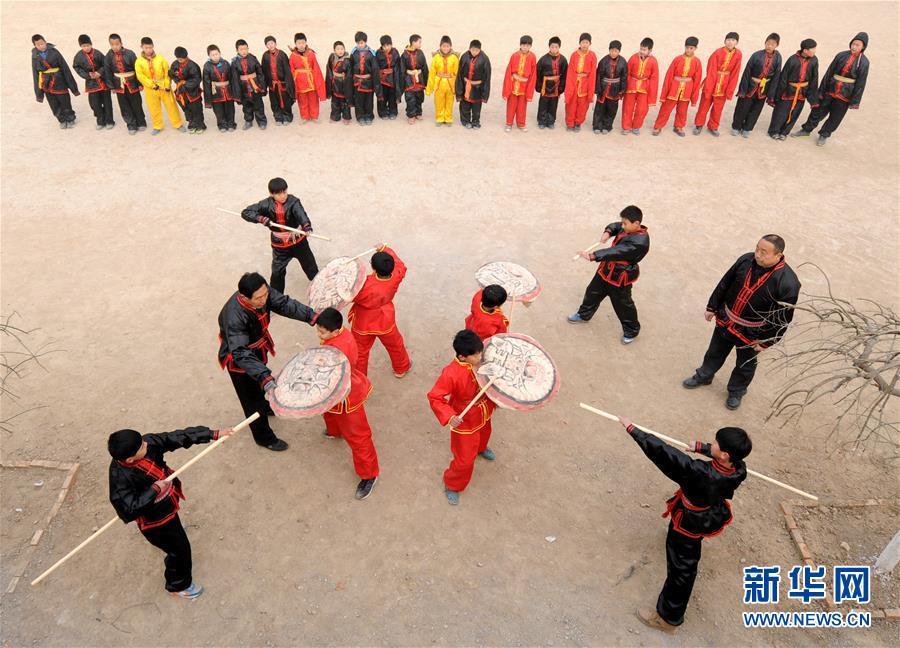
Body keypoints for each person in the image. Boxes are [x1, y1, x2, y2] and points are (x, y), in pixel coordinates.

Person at [612, 417, 752, 634]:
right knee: (685, 556)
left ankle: (668, 618)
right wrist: (703, 448)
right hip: (709, 512)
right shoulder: (739, 469)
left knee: (682, 568)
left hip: (690, 523)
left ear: (725, 454)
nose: (712, 443)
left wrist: (633, 430)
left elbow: (666, 454)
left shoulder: (699, 473)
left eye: (715, 443)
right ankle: (670, 613)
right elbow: (719, 458)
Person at [108, 425, 234, 599]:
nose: (147, 444)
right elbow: (128, 511)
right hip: (156, 521)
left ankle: (175, 535)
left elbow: (174, 437)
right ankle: (178, 585)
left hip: (166, 505)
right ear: (130, 460)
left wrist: (211, 434)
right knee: (180, 551)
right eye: (142, 446)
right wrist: (153, 490)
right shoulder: (119, 479)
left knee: (176, 536)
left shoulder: (147, 444)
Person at [682, 235, 801, 409]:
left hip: (752, 333)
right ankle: (704, 376)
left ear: (778, 255)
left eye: (764, 252)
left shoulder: (788, 283)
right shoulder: (746, 260)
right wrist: (712, 306)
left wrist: (767, 341)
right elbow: (725, 282)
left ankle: (736, 391)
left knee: (745, 365)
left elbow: (782, 317)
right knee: (714, 351)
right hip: (727, 319)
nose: (757, 255)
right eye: (757, 249)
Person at [217, 272, 316, 452]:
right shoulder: (234, 316)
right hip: (240, 361)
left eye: (265, 295)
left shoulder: (262, 292)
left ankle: (265, 406)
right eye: (259, 298)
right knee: (252, 401)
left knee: (261, 386)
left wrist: (312, 316)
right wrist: (265, 377)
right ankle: (264, 437)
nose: (264, 300)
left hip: (256, 348)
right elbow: (240, 352)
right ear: (244, 298)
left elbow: (284, 304)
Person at [427, 330, 497, 506]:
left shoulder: (482, 360)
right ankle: (453, 484)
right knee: (464, 460)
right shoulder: (450, 373)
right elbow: (435, 397)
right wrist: (450, 416)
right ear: (462, 357)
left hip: (484, 409)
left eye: (480, 352)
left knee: (485, 433)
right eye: (476, 355)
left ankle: (481, 448)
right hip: (464, 418)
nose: (480, 357)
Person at [316, 308, 379, 501]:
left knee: (359, 437)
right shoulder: (341, 334)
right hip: (333, 388)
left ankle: (369, 475)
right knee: (329, 412)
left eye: (322, 332)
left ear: (335, 331)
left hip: (345, 394)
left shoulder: (339, 351)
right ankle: (334, 431)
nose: (319, 334)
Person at [567, 205, 649, 344]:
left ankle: (632, 330)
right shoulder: (628, 228)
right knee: (592, 293)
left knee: (623, 306)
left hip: (619, 277)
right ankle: (584, 314)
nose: (622, 226)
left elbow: (616, 251)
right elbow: (616, 226)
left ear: (636, 223)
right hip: (606, 270)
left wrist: (593, 256)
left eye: (625, 223)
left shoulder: (640, 242)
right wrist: (608, 231)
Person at [241, 177, 318, 293]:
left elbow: (301, 214)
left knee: (310, 266)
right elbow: (246, 212)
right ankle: (276, 296)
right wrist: (261, 219)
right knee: (277, 273)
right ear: (271, 194)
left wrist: (306, 226)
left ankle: (320, 286)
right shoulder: (265, 204)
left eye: (285, 192)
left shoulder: (294, 202)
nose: (283, 196)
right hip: (280, 246)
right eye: (278, 193)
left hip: (298, 242)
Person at [793, 32, 869, 146]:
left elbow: (861, 83)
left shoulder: (864, 63)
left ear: (863, 47)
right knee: (818, 110)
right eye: (853, 44)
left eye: (857, 45)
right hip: (831, 89)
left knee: (836, 116)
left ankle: (824, 134)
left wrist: (854, 101)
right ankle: (806, 129)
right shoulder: (841, 55)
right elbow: (829, 72)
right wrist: (821, 90)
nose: (854, 47)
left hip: (845, 94)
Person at [348, 244, 412, 377]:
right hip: (385, 319)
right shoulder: (396, 275)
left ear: (374, 268)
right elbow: (400, 264)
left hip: (363, 321)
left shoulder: (364, 284)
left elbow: (349, 295)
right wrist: (385, 248)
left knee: (360, 352)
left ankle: (361, 381)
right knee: (395, 345)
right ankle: (401, 368)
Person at [731, 34, 781, 137]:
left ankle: (747, 128)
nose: (769, 46)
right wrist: (743, 90)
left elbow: (776, 76)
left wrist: (771, 94)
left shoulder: (778, 58)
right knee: (743, 107)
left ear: (777, 45)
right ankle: (736, 126)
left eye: (772, 44)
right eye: (768, 43)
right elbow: (747, 72)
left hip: (764, 88)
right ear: (765, 43)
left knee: (756, 109)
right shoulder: (756, 55)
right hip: (751, 85)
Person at [767, 39, 818, 140]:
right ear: (805, 50)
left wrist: (813, 98)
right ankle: (774, 131)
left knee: (795, 113)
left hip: (802, 92)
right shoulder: (792, 60)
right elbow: (783, 78)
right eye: (813, 49)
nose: (815, 51)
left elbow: (814, 78)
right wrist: (778, 95)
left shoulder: (814, 60)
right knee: (781, 112)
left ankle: (784, 132)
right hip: (788, 91)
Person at [693, 32, 742, 137]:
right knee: (704, 105)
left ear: (736, 42)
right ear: (725, 41)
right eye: (728, 40)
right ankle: (699, 124)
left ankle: (713, 126)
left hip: (724, 84)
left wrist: (730, 89)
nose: (730, 42)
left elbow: (735, 72)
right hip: (712, 81)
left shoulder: (738, 54)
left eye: (733, 40)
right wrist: (709, 86)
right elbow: (711, 70)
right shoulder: (717, 53)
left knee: (718, 107)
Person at [653, 37, 702, 137]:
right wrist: (664, 94)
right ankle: (658, 126)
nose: (688, 50)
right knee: (666, 108)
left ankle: (679, 126)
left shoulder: (697, 62)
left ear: (696, 48)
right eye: (687, 47)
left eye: (691, 48)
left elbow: (697, 80)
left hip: (687, 89)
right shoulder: (677, 59)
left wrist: (694, 98)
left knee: (682, 110)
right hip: (674, 88)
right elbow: (669, 76)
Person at [135, 37, 185, 135]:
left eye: (150, 47)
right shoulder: (139, 62)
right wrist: (151, 84)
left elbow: (167, 71)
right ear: (141, 47)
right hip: (150, 89)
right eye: (146, 48)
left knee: (171, 105)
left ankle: (178, 123)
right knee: (153, 107)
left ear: (153, 46)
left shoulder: (160, 58)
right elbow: (140, 76)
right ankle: (157, 125)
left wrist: (167, 84)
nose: (148, 50)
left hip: (163, 86)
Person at [31, 34, 79, 128]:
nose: (41, 46)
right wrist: (39, 92)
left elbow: (64, 67)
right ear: (35, 46)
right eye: (38, 45)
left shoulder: (54, 52)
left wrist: (72, 86)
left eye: (42, 43)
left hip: (59, 80)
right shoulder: (34, 56)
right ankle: (61, 119)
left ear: (45, 42)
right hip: (46, 83)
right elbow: (35, 73)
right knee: (53, 103)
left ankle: (70, 118)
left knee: (65, 100)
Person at [104, 33, 147, 134]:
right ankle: (131, 124)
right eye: (112, 44)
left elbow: (137, 69)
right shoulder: (108, 56)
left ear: (121, 43)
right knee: (124, 106)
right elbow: (107, 71)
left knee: (137, 103)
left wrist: (140, 83)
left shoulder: (130, 54)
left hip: (132, 83)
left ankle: (141, 122)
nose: (115, 46)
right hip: (118, 84)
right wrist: (111, 86)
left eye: (117, 44)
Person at [73, 34, 114, 130]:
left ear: (91, 44)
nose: (86, 48)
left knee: (107, 103)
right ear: (80, 46)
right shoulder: (78, 56)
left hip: (103, 81)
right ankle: (100, 121)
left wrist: (100, 72)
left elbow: (105, 64)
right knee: (94, 104)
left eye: (88, 45)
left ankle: (109, 121)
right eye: (84, 46)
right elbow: (77, 67)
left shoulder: (98, 53)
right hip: (91, 83)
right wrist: (87, 75)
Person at [621, 37, 658, 135]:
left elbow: (654, 78)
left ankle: (636, 126)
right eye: (641, 48)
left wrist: (651, 92)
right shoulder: (633, 58)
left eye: (644, 49)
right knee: (628, 107)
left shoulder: (653, 61)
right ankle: (626, 126)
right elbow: (627, 73)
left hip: (644, 88)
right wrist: (626, 86)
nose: (641, 51)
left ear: (650, 50)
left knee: (642, 109)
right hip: (631, 86)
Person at [502, 35, 537, 132]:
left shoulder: (532, 57)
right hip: (513, 85)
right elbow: (509, 71)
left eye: (528, 45)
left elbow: (533, 74)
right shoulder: (514, 56)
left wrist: (529, 88)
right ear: (520, 45)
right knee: (511, 106)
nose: (525, 47)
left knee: (522, 107)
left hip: (524, 86)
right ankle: (509, 123)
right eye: (524, 45)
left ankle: (521, 124)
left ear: (530, 46)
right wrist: (508, 86)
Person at [592, 40, 627, 134]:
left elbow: (624, 77)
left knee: (611, 109)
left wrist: (622, 90)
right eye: (612, 50)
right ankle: (597, 126)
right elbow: (598, 75)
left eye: (616, 51)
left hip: (615, 88)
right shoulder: (603, 61)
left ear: (619, 51)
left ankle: (607, 126)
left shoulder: (623, 62)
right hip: (603, 88)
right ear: (609, 50)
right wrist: (597, 89)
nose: (613, 53)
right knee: (600, 108)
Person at [231, 39, 267, 130]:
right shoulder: (234, 62)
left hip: (255, 86)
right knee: (246, 105)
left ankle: (262, 121)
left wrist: (262, 85)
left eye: (245, 49)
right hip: (243, 87)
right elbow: (235, 78)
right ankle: (248, 121)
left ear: (248, 48)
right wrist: (237, 92)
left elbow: (260, 73)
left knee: (258, 104)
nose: (244, 51)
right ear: (237, 50)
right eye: (241, 49)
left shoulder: (253, 58)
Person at [289, 33, 326, 123]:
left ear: (306, 43)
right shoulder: (293, 56)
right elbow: (291, 70)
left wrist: (318, 81)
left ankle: (314, 116)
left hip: (311, 81)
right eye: (299, 43)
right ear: (295, 44)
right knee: (302, 100)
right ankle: (305, 116)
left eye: (303, 43)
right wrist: (293, 83)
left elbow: (316, 68)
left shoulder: (311, 54)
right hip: (300, 82)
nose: (301, 45)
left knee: (313, 100)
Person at [564, 33, 597, 131]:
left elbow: (593, 73)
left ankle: (578, 122)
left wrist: (591, 89)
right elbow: (570, 71)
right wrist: (571, 84)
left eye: (587, 42)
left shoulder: (592, 56)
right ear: (579, 43)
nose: (584, 44)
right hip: (574, 82)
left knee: (583, 105)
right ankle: (570, 123)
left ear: (590, 43)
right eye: (583, 42)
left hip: (585, 84)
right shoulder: (574, 55)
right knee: (571, 104)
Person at [456, 40, 491, 129]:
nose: (474, 52)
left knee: (476, 107)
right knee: (465, 105)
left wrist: (485, 93)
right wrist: (459, 90)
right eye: (473, 50)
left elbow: (487, 76)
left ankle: (475, 121)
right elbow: (459, 74)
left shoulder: (485, 59)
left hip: (478, 88)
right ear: (469, 49)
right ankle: (465, 121)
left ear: (480, 50)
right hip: (466, 85)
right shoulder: (464, 57)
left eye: (477, 50)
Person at [170, 46, 205, 134]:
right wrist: (178, 82)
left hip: (193, 92)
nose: (180, 60)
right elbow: (172, 74)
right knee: (186, 109)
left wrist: (185, 84)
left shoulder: (193, 66)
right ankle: (192, 124)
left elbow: (197, 79)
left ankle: (200, 125)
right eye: (179, 59)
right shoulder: (175, 64)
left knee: (196, 109)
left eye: (182, 59)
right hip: (181, 92)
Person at [534, 36, 567, 129]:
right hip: (545, 85)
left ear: (559, 47)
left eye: (556, 47)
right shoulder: (543, 59)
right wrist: (539, 86)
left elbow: (565, 75)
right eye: (552, 47)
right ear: (549, 47)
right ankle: (541, 121)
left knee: (553, 104)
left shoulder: (563, 60)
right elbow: (537, 73)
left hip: (556, 85)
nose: (554, 49)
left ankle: (551, 121)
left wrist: (561, 87)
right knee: (543, 104)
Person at [202, 45, 237, 132]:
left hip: (228, 90)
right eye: (213, 55)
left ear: (220, 53)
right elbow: (206, 83)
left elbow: (232, 78)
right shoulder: (207, 66)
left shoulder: (226, 63)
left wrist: (235, 91)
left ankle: (231, 123)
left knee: (230, 108)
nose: (215, 56)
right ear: (209, 56)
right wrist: (208, 99)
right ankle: (222, 125)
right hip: (216, 92)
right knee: (218, 110)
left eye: (216, 54)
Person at [425, 36, 459, 126]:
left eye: (447, 46)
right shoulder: (436, 57)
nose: (445, 48)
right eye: (443, 46)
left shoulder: (454, 58)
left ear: (451, 46)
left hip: (450, 84)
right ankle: (439, 118)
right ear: (440, 46)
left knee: (449, 102)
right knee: (439, 102)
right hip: (439, 84)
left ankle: (448, 118)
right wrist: (429, 89)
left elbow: (457, 73)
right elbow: (432, 73)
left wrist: (457, 87)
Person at [261, 35, 295, 125]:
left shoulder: (282, 55)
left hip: (282, 84)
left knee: (285, 101)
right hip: (272, 84)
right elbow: (263, 71)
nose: (270, 45)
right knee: (274, 102)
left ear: (275, 44)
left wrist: (288, 83)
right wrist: (265, 85)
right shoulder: (265, 56)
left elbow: (287, 70)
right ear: (266, 46)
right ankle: (278, 117)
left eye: (272, 43)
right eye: (268, 44)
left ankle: (287, 116)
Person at [349, 31, 380, 125]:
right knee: (359, 100)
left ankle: (369, 116)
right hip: (357, 82)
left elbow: (375, 69)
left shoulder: (371, 54)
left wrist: (376, 84)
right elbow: (350, 67)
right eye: (358, 43)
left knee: (369, 100)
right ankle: (360, 116)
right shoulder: (353, 53)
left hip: (369, 82)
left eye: (362, 43)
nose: (360, 45)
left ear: (366, 42)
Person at [398, 34, 428, 123]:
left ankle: (418, 112)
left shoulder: (420, 53)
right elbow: (402, 69)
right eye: (419, 42)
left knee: (419, 97)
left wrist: (426, 81)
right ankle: (411, 115)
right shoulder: (404, 55)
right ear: (413, 42)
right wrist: (403, 81)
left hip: (419, 79)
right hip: (409, 80)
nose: (420, 44)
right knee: (410, 98)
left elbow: (424, 67)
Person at [325, 41, 353, 124]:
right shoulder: (332, 57)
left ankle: (346, 117)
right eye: (338, 49)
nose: (340, 51)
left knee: (345, 102)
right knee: (335, 102)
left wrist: (347, 84)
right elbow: (329, 69)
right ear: (334, 50)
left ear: (344, 49)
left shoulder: (347, 60)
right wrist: (329, 81)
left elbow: (349, 74)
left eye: (342, 49)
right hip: (334, 83)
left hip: (344, 83)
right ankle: (335, 116)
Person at [376, 35, 401, 120]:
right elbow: (376, 67)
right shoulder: (378, 53)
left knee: (392, 96)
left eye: (388, 45)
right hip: (382, 79)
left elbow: (398, 64)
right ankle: (382, 112)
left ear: (391, 44)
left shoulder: (395, 52)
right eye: (384, 46)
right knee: (382, 96)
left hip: (393, 78)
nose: (386, 48)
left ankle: (393, 111)